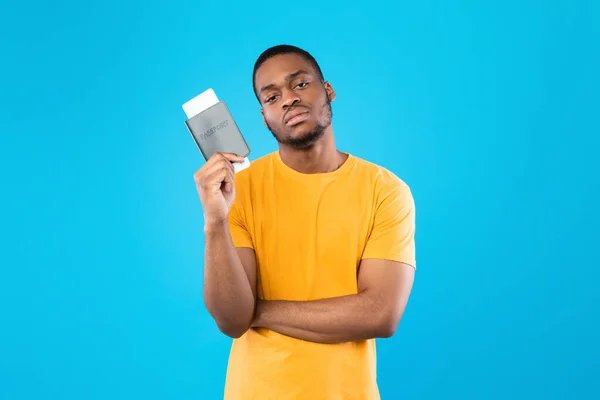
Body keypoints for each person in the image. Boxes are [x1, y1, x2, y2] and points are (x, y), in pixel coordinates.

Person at [193, 44, 417, 400]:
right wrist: (215, 220)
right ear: (264, 116)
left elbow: (380, 313)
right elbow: (232, 320)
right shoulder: (239, 191)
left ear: (328, 90)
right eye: (272, 96)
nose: (288, 100)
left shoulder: (386, 191)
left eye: (299, 85)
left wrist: (259, 311)